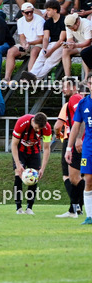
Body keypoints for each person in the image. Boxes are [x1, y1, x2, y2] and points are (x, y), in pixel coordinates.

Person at [54, 78, 85, 218]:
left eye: (65, 87)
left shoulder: (75, 99)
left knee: (72, 177)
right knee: (74, 177)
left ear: (73, 87)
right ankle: (75, 208)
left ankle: (76, 207)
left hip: (73, 142)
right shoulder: (75, 101)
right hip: (76, 141)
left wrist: (77, 138)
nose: (62, 90)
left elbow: (58, 126)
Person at [10, 112, 52, 214]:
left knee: (34, 177)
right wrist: (18, 164)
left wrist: (42, 168)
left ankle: (29, 207)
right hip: (20, 151)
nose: (38, 130)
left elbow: (46, 149)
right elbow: (14, 145)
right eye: (37, 128)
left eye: (40, 129)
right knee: (18, 175)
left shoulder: (47, 128)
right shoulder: (22, 122)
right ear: (33, 121)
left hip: (34, 151)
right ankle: (18, 207)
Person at [29, 10, 89, 80]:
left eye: (48, 10)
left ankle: (36, 78)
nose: (46, 12)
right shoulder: (64, 23)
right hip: (56, 44)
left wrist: (50, 51)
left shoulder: (65, 21)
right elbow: (46, 38)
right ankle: (32, 74)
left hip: (63, 44)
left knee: (50, 61)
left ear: (54, 10)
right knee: (42, 54)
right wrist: (45, 48)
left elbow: (61, 39)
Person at [64, 88, 92, 224]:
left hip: (84, 144)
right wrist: (69, 148)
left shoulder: (76, 99)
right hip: (88, 147)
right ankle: (88, 216)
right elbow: (76, 126)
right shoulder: (83, 103)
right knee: (88, 179)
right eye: (91, 84)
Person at [3, 3, 44, 82]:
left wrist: (29, 43)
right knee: (11, 51)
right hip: (28, 44)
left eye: (31, 12)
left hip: (38, 43)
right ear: (22, 13)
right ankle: (7, 78)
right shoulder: (20, 21)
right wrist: (23, 43)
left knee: (34, 52)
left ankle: (30, 77)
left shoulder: (40, 20)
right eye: (27, 12)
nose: (29, 14)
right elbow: (21, 36)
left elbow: (41, 38)